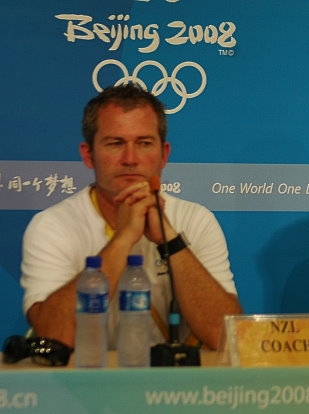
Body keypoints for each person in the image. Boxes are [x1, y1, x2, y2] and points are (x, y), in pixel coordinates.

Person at [21, 84, 242, 350]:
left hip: (177, 389)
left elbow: (225, 337)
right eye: (115, 144)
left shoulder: (195, 220)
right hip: (83, 384)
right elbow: (55, 337)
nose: (130, 159)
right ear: (88, 155)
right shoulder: (52, 226)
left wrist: (170, 240)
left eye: (144, 143)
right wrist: (123, 238)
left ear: (164, 155)